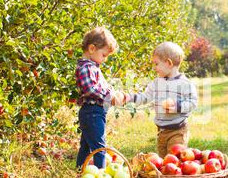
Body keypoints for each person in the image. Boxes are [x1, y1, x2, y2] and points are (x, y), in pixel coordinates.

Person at [125, 41, 198, 157]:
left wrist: (177, 106)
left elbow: (193, 102)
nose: (154, 68)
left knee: (175, 161)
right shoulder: (156, 83)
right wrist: (129, 97)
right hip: (161, 131)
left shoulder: (185, 83)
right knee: (164, 163)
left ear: (168, 63)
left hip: (177, 130)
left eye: (156, 64)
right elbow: (145, 97)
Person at [75, 26, 125, 169]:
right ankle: (101, 176)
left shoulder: (92, 67)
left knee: (86, 145)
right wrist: (110, 96)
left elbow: (101, 86)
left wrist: (114, 93)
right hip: (92, 113)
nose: (105, 59)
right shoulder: (86, 67)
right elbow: (90, 89)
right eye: (104, 55)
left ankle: (81, 173)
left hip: (94, 112)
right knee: (100, 148)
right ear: (92, 49)